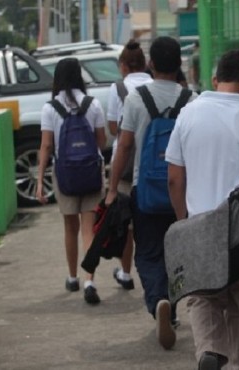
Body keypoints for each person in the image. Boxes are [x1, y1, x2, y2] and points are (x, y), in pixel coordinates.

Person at [166, 50, 239, 370]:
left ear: (216, 78)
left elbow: (174, 179)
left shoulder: (188, 115)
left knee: (204, 295)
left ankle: (209, 348)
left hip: (201, 223)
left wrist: (183, 224)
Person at [105, 36, 196, 350]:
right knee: (176, 252)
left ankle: (158, 300)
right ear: (179, 64)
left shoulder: (135, 99)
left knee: (147, 252)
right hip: (180, 191)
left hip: (144, 190)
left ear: (151, 64)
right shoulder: (192, 99)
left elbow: (125, 146)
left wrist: (112, 187)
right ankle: (170, 305)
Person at [36, 58, 107, 305]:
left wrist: (38, 181)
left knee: (70, 228)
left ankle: (72, 277)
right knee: (89, 229)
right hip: (91, 172)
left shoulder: (50, 108)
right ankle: (90, 279)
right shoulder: (93, 104)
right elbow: (102, 142)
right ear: (79, 76)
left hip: (64, 174)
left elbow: (46, 145)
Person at [106, 39, 153, 290]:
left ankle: (126, 272)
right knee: (152, 224)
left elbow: (114, 128)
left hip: (124, 168)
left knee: (127, 225)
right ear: (144, 64)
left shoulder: (118, 88)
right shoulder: (155, 85)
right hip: (152, 166)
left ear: (123, 65)